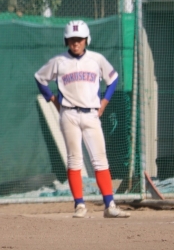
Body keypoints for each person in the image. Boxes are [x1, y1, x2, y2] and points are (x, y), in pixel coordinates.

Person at [34, 20, 130, 219]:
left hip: (91, 113)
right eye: (71, 39)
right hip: (69, 114)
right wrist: (52, 100)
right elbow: (40, 78)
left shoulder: (96, 59)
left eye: (79, 39)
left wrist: (104, 102)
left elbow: (113, 79)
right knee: (74, 159)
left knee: (100, 160)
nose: (75, 43)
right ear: (66, 41)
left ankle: (110, 205)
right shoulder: (59, 61)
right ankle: (79, 205)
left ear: (87, 40)